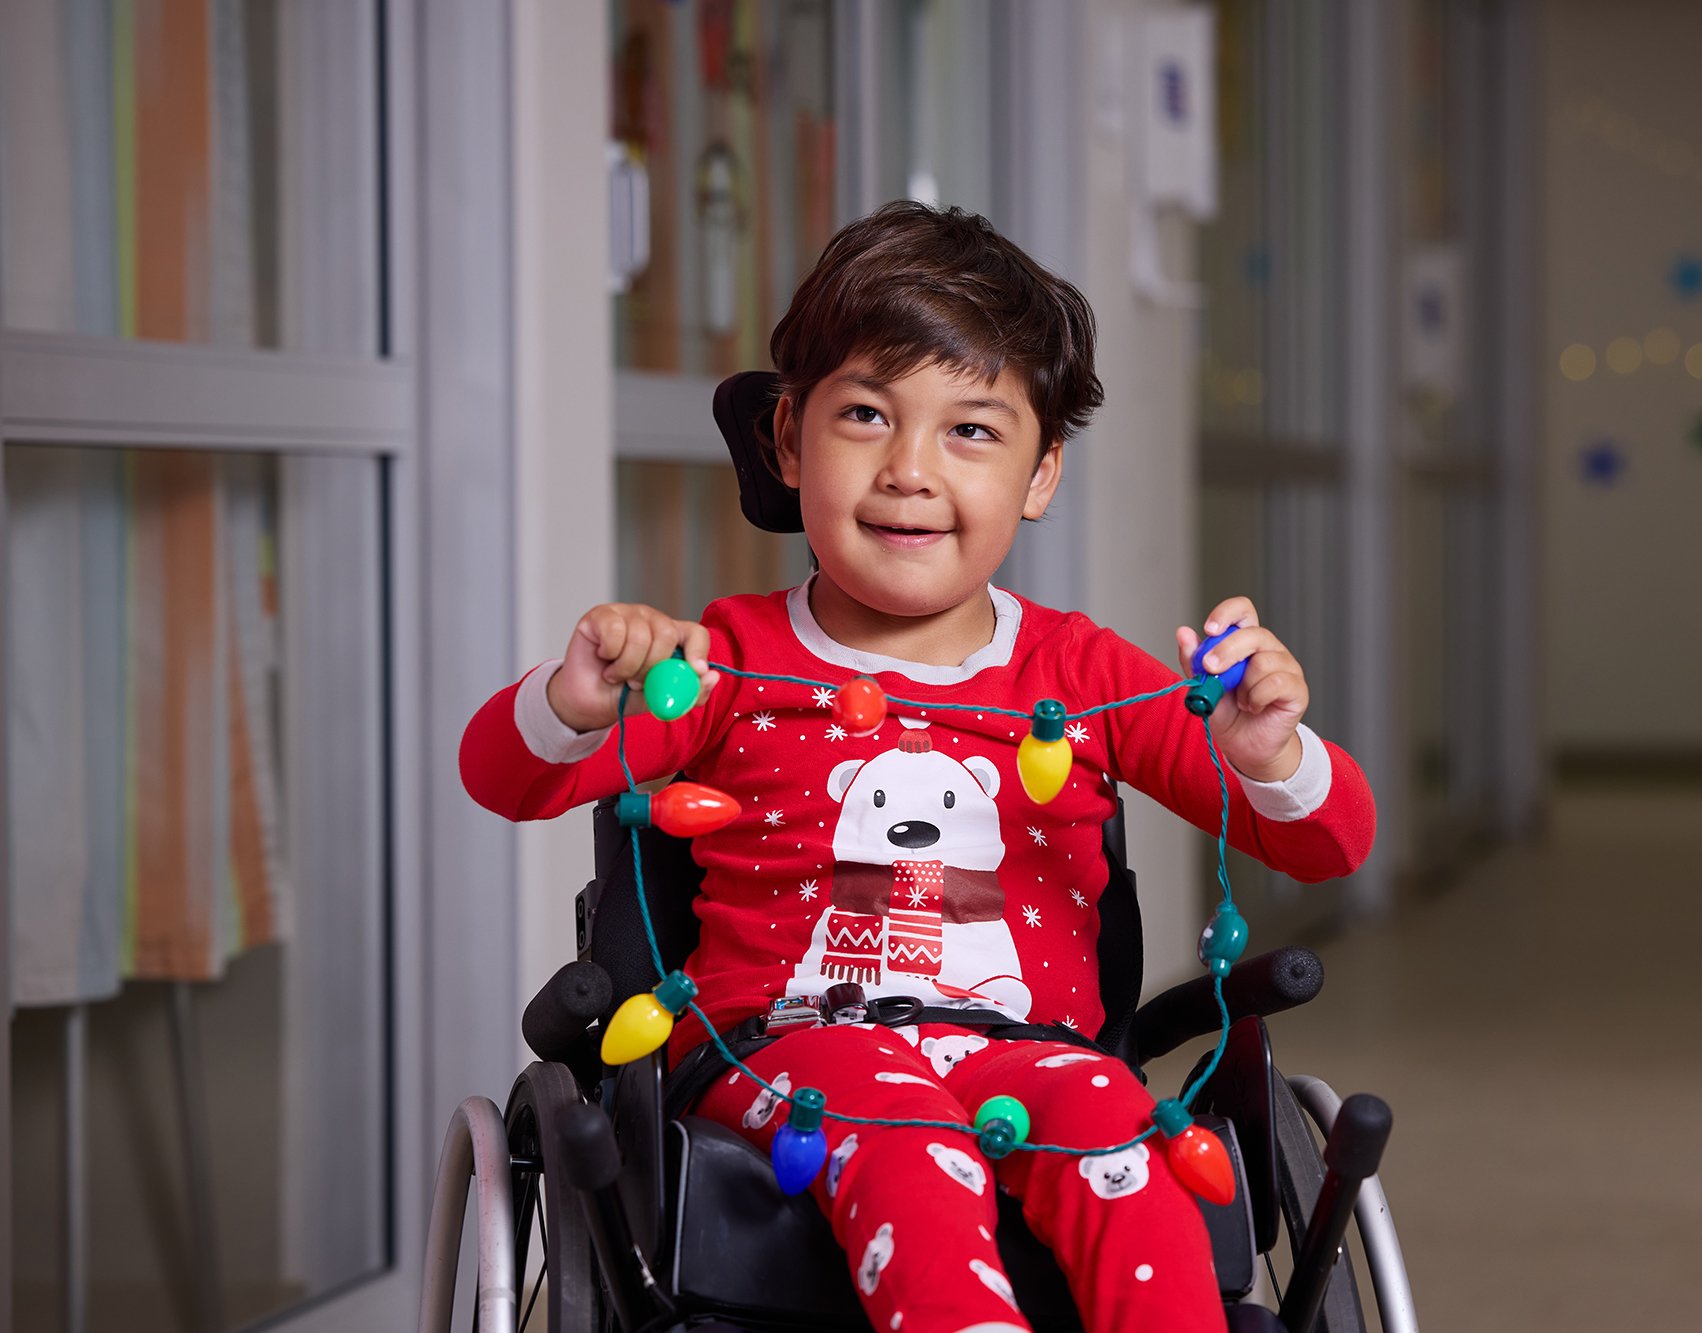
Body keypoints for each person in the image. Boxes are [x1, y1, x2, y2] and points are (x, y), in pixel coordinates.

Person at [460, 201, 1375, 1333]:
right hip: (789, 1047)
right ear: (788, 441)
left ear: (1040, 475)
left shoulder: (1079, 672)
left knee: (1112, 1121)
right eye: (864, 415)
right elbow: (508, 778)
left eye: (971, 431)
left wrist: (1269, 752)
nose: (907, 470)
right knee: (902, 1127)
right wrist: (577, 698)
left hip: (1029, 1050)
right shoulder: (728, 659)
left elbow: (1326, 842)